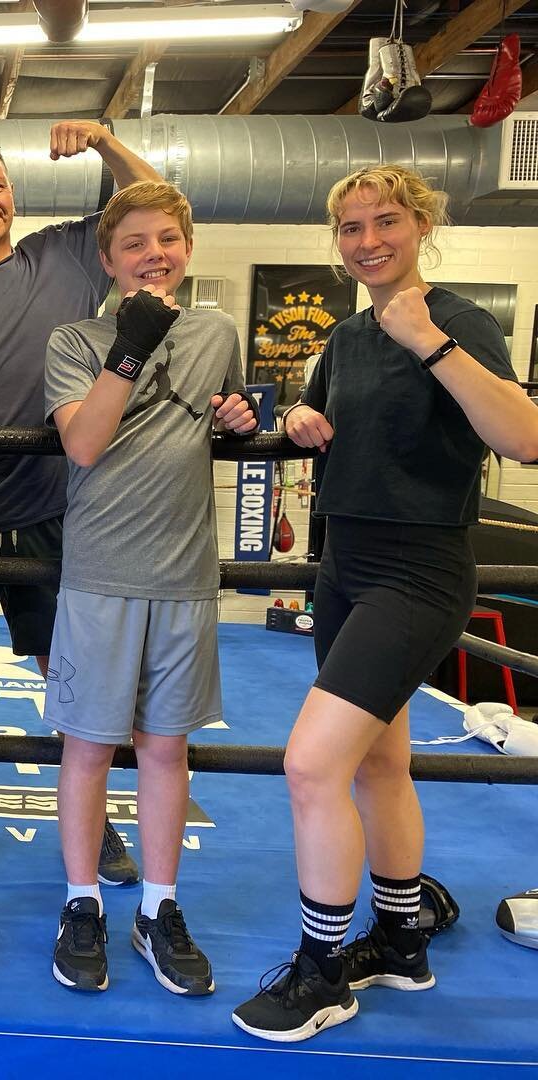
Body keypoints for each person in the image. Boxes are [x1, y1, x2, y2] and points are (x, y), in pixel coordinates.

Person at [232, 165, 538, 1041]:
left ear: (422, 225)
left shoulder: (457, 319)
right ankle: (402, 937)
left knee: (310, 764)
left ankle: (323, 971)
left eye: (386, 222)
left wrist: (430, 342)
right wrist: (295, 421)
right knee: (376, 765)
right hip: (345, 565)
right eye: (351, 228)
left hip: (418, 572)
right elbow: (317, 419)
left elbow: (523, 436)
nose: (368, 241)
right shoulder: (346, 336)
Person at [0, 121, 162, 900]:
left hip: (59, 512)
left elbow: (152, 206)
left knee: (78, 685)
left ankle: (94, 819)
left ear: (10, 194)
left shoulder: (63, 253)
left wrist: (107, 143)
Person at [45, 181, 256, 996]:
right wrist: (128, 345)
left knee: (166, 749)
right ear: (108, 258)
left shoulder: (215, 331)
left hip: (185, 577)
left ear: (188, 247)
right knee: (90, 748)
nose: (152, 254)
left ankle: (158, 907)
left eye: (165, 239)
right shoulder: (73, 338)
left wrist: (240, 418)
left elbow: (226, 415)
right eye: (133, 243)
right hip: (100, 574)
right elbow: (85, 445)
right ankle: (82, 901)